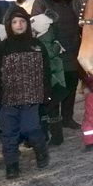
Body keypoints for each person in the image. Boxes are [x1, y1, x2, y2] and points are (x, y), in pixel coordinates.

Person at [0, 9, 51, 179]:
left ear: (27, 24)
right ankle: (12, 165)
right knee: (9, 133)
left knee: (30, 128)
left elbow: (46, 71)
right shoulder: (2, 48)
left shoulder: (37, 45)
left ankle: (41, 152)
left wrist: (47, 93)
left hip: (31, 97)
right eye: (15, 22)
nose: (19, 25)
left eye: (22, 21)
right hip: (8, 99)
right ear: (9, 25)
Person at [31, 0, 82, 130]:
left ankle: (68, 117)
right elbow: (37, 26)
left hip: (73, 48)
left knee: (71, 84)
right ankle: (55, 119)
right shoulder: (41, 2)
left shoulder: (72, 0)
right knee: (55, 86)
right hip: (53, 51)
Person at [29, 12, 67, 145]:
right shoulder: (47, 39)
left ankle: (55, 137)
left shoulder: (44, 40)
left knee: (51, 111)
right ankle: (46, 134)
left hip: (53, 82)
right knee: (45, 110)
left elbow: (48, 55)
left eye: (33, 29)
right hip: (48, 82)